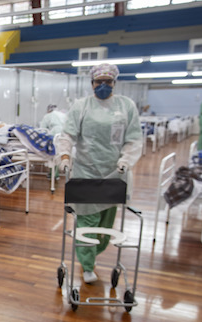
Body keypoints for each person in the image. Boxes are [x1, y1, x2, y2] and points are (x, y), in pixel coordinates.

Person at [55, 63, 142, 284]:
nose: (103, 86)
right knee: (87, 222)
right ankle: (86, 265)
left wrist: (125, 160)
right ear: (91, 83)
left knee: (105, 225)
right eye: (98, 82)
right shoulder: (81, 106)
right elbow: (67, 135)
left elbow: (133, 138)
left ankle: (92, 255)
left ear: (114, 83)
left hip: (114, 173)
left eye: (108, 82)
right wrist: (64, 156)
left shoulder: (126, 106)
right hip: (86, 172)